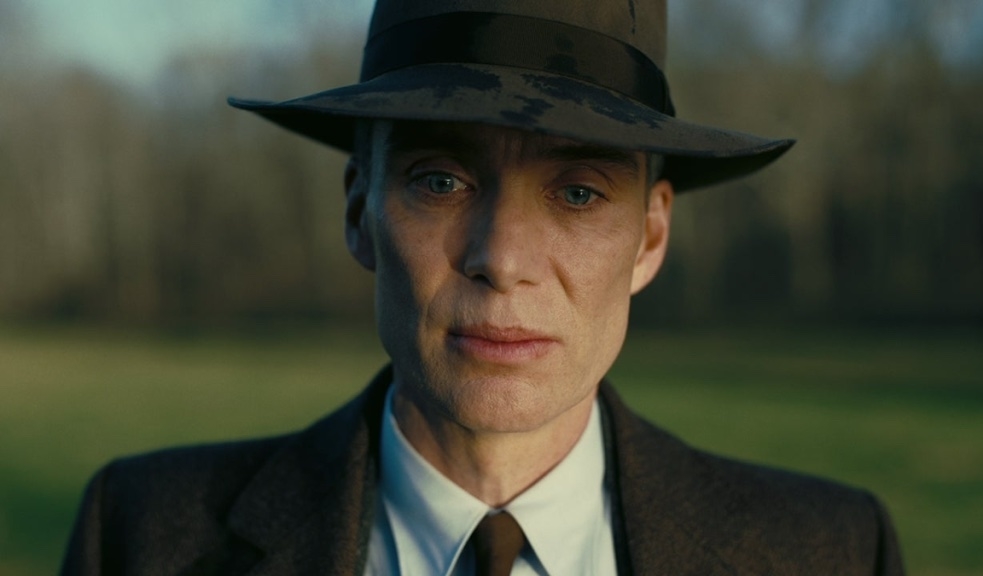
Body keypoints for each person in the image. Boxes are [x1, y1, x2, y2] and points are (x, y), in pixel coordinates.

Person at [62, 1, 904, 574]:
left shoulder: (829, 551)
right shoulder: (140, 535)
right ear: (359, 211)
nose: (502, 257)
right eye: (440, 180)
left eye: (578, 192)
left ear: (650, 237)